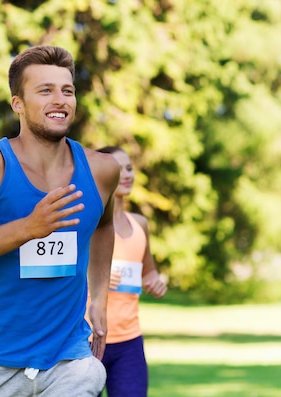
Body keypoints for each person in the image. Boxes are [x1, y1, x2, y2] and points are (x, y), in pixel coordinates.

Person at [0, 45, 120, 396]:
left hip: (69, 361)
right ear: (18, 103)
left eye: (67, 90)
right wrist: (27, 229)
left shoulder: (102, 170)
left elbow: (105, 225)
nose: (60, 99)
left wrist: (99, 299)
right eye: (45, 90)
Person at [95, 146, 168, 397]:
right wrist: (97, 274)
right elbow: (65, 271)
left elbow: (149, 271)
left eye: (129, 168)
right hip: (86, 339)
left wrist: (155, 281)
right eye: (118, 169)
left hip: (129, 343)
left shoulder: (140, 224)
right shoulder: (86, 223)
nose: (126, 174)